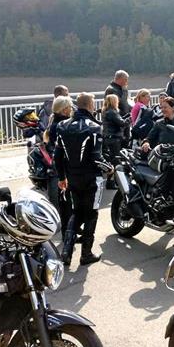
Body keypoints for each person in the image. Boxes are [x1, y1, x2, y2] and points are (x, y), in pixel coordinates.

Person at [54, 92, 112, 268]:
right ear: (89, 105)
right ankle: (86, 253)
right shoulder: (94, 127)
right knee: (91, 213)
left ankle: (66, 252)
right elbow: (96, 158)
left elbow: (57, 155)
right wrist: (110, 168)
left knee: (76, 211)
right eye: (93, 102)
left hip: (72, 177)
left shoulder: (62, 125)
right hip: (91, 178)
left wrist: (62, 176)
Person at [44, 96, 74, 236]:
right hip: (62, 167)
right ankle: (67, 232)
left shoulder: (54, 121)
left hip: (59, 165)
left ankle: (69, 228)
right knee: (66, 201)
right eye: (69, 106)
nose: (72, 109)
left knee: (66, 201)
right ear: (64, 109)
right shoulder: (60, 125)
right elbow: (61, 150)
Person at [101, 94, 129, 189]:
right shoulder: (112, 112)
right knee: (116, 161)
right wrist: (131, 117)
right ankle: (113, 182)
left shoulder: (106, 111)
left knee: (112, 160)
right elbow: (122, 123)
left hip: (108, 138)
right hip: (114, 139)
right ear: (114, 102)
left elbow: (118, 120)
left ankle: (111, 182)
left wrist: (126, 116)